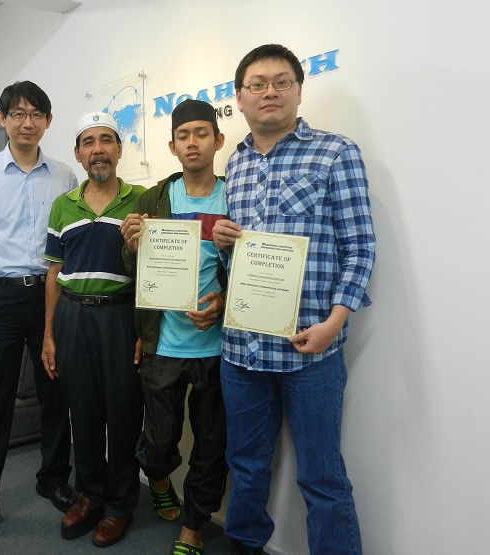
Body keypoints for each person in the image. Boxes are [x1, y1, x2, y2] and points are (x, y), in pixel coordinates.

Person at [212, 44, 376, 555]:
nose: (270, 92)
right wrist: (223, 244)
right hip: (241, 350)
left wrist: (334, 323)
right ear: (239, 97)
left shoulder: (335, 153)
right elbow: (241, 260)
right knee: (245, 466)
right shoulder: (235, 164)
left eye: (281, 82)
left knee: (322, 477)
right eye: (257, 84)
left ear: (298, 91)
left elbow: (360, 247)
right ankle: (244, 545)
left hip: (310, 350)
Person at [0, 81, 78, 550]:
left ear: (48, 121)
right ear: (3, 119)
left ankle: (53, 479)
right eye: (18, 114)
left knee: (55, 393)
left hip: (51, 296)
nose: (27, 123)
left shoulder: (65, 176)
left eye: (36, 114)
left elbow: (70, 240)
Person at [120, 99, 228, 555]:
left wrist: (222, 304)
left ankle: (193, 528)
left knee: (212, 445)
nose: (192, 142)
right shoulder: (154, 199)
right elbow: (135, 270)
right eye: (183, 136)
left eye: (201, 133)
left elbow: (251, 268)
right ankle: (160, 478)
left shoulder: (235, 195)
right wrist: (130, 246)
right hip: (163, 344)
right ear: (172, 146)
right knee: (159, 440)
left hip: (218, 348)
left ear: (218, 141)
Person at [41, 112, 146, 548]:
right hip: (72, 317)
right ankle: (90, 495)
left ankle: (119, 504)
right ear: (78, 153)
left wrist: (144, 330)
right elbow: (53, 273)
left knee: (123, 414)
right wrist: (49, 334)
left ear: (119, 149)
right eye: (89, 142)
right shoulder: (63, 205)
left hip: (120, 317)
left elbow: (156, 270)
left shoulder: (143, 200)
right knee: (81, 412)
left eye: (106, 140)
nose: (98, 149)